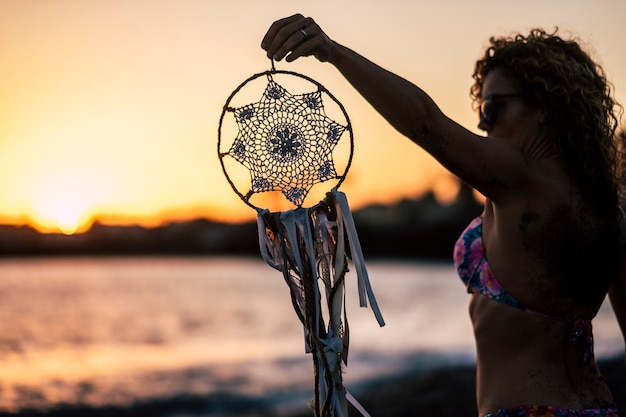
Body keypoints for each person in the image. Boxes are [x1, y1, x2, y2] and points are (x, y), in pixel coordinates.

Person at [261, 14, 626, 417]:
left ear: (546, 108)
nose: (483, 124)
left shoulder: (520, 176)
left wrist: (334, 53)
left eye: (493, 108)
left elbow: (426, 123)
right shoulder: (609, 211)